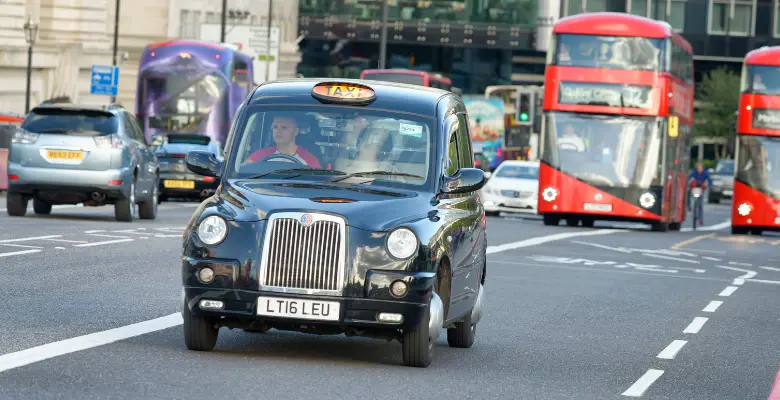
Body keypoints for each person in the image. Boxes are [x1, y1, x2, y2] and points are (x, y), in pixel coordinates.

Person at [245, 115, 322, 167]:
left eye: (284, 127)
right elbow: (240, 172)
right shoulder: (261, 155)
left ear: (295, 132)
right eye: (275, 127)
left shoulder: (309, 159)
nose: (278, 131)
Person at [687, 161, 712, 225]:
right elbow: (688, 178)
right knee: (688, 192)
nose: (699, 169)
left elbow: (709, 180)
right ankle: (689, 206)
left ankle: (700, 219)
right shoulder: (694, 172)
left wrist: (709, 185)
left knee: (700, 205)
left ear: (703, 168)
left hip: (701, 188)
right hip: (694, 187)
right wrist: (689, 183)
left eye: (701, 168)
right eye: (698, 168)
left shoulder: (705, 173)